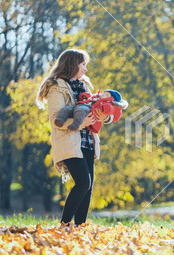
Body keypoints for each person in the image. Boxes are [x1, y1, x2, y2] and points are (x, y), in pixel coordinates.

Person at [36, 49, 111, 226]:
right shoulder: (57, 88)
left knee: (89, 186)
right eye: (83, 64)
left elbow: (99, 109)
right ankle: (64, 225)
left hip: (87, 141)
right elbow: (56, 120)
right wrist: (81, 122)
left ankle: (79, 227)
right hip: (69, 142)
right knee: (83, 183)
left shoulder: (84, 86)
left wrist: (103, 117)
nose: (85, 69)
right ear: (72, 64)